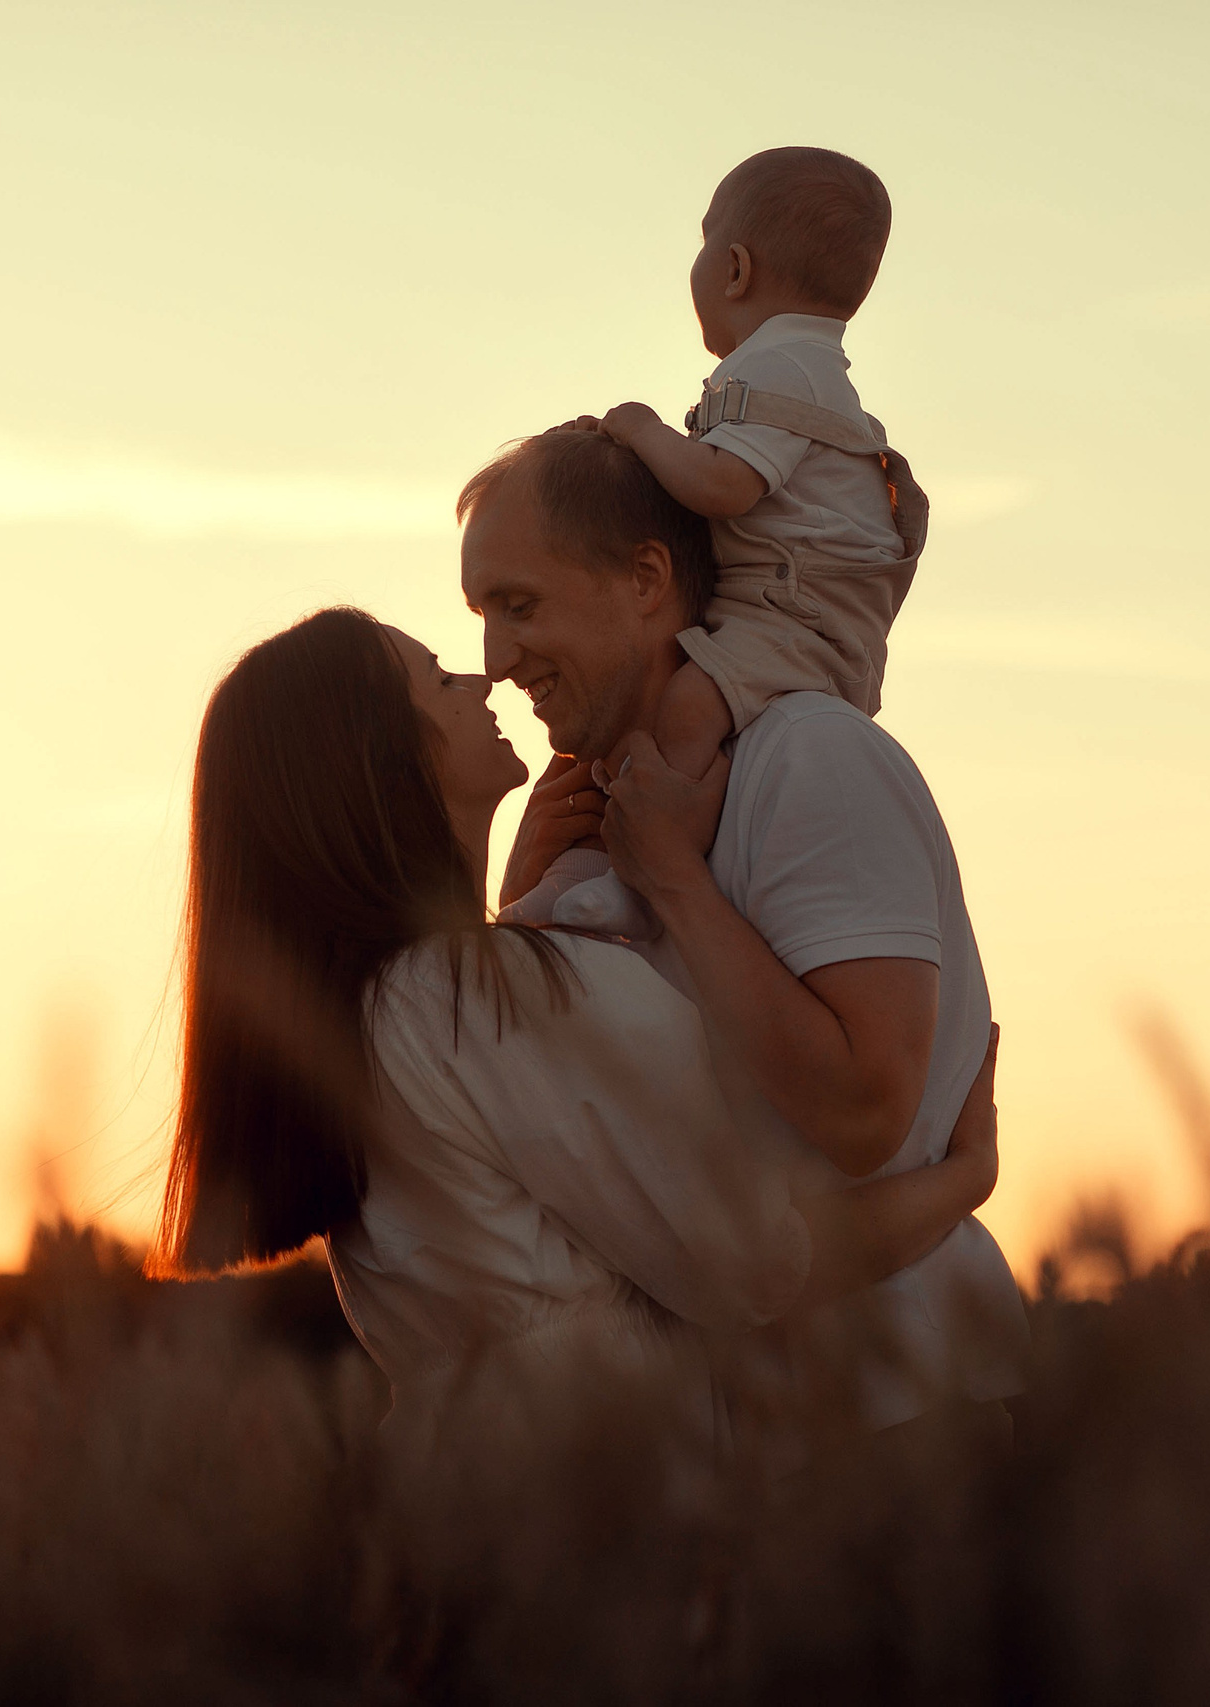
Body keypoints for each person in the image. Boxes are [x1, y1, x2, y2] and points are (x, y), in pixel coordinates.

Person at [154, 605, 997, 1441]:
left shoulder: (382, 1012)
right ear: (380, 756)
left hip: (486, 1510)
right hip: (607, 1509)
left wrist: (517, 921)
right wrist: (963, 1180)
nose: (481, 676)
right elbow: (762, 1261)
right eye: (439, 678)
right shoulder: (472, 996)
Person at [462, 430, 1026, 1434]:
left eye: (520, 605)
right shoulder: (604, 828)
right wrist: (524, 901)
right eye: (483, 617)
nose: (497, 662)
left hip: (911, 1433)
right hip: (755, 1458)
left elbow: (863, 1110)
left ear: (645, 579)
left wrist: (675, 883)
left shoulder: (808, 763)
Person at [508, 146, 928, 941]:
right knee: (648, 729)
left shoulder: (783, 367)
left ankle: (649, 876)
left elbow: (724, 487)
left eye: (702, 243)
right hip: (786, 603)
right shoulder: (798, 366)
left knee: (688, 712)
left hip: (794, 615)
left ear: (734, 268)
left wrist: (639, 425)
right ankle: (582, 881)